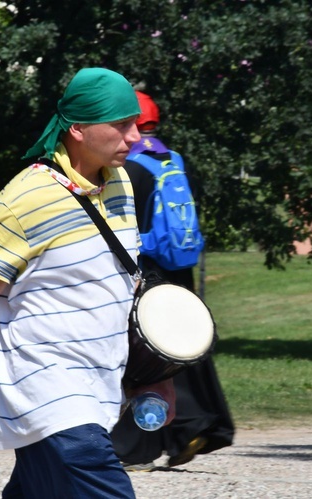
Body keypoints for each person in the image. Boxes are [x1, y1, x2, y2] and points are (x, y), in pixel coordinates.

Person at [0, 68, 175, 498]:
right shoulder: (25, 199)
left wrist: (156, 375)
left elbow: (123, 288)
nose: (134, 137)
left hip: (99, 391)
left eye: (135, 124)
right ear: (78, 128)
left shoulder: (122, 183)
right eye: (120, 125)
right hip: (49, 392)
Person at [111, 90, 235, 470]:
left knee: (145, 355)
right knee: (184, 345)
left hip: (148, 270)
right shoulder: (176, 162)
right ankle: (198, 425)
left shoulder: (128, 169)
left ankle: (139, 447)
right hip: (179, 268)